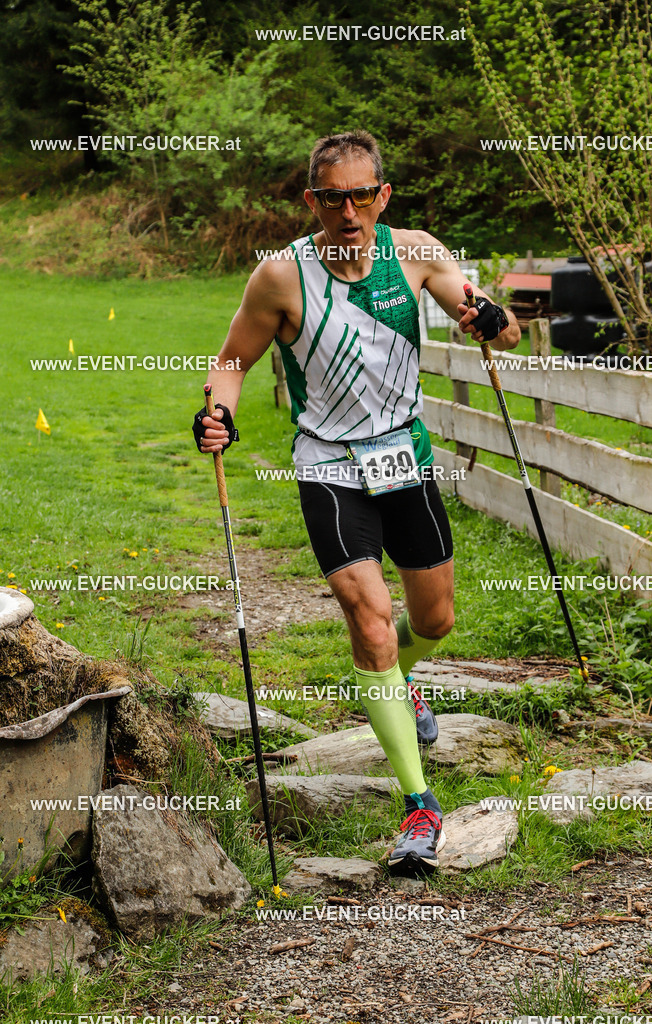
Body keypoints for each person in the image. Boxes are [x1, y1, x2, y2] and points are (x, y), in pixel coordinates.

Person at [194, 131, 520, 875]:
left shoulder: (417, 253)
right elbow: (232, 361)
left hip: (404, 455)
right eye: (333, 197)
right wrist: (220, 411)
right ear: (313, 201)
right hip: (328, 466)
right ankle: (419, 804)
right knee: (370, 621)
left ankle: (400, 680)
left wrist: (489, 317)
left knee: (433, 619)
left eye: (363, 194)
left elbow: (488, 315)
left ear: (384, 195)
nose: (349, 211)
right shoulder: (281, 277)